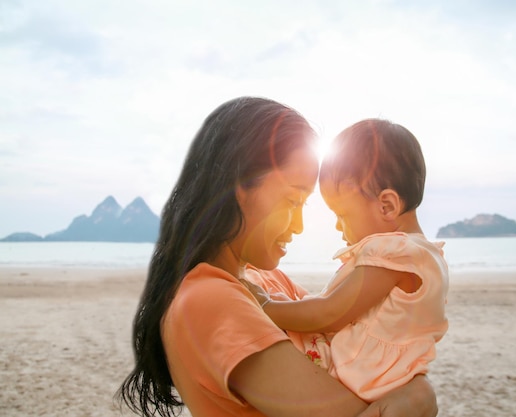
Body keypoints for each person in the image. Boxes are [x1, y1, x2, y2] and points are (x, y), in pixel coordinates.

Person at [116, 97, 438, 417]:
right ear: (237, 187)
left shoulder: (265, 280)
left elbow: (329, 321)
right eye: (291, 201)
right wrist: (419, 397)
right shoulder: (207, 298)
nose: (298, 227)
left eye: (303, 206)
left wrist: (417, 393)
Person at [246, 119, 449, 402]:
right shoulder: (426, 255)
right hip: (385, 377)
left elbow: (328, 313)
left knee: (260, 311)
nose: (339, 228)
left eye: (342, 214)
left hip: (356, 374)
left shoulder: (394, 251)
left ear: (387, 205)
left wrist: (267, 306)